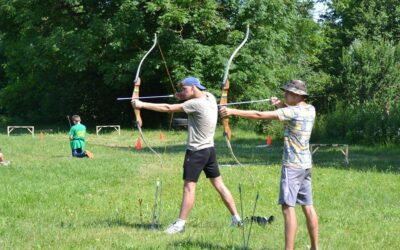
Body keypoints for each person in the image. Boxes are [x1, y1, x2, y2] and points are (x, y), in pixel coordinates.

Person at [132, 76, 243, 234]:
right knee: (219, 185)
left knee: (189, 188)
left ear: (193, 88)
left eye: (184, 89)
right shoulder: (209, 97)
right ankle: (237, 219)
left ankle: (180, 224)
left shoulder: (194, 104)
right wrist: (182, 96)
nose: (181, 91)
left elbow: (168, 108)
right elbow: (187, 99)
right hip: (209, 151)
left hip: (196, 152)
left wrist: (141, 104)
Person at [219, 80, 319, 250]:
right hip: (305, 165)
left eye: (287, 93)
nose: (285, 95)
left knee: (288, 209)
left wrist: (232, 111)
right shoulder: (310, 109)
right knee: (308, 206)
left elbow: (259, 115)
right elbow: (290, 114)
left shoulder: (292, 111)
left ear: (296, 95)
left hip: (292, 167)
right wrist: (280, 104)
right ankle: (315, 247)